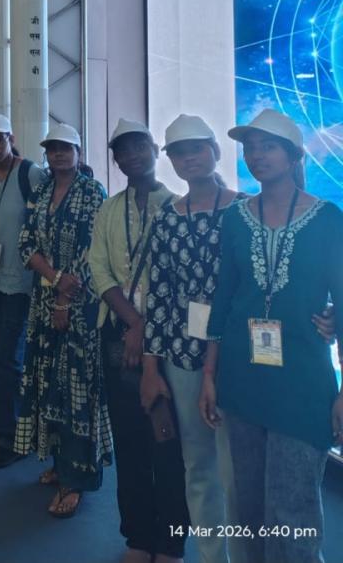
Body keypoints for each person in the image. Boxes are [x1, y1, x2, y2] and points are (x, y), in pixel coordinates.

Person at [199, 109, 343, 563]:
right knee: (249, 505)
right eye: (250, 148)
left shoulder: (327, 218)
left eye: (269, 146)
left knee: (294, 509)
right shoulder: (236, 218)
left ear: (294, 155)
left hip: (304, 382)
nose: (257, 155)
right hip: (242, 379)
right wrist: (209, 376)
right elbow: (223, 298)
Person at [140, 115, 241, 563]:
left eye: (196, 148)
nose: (189, 159)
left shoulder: (244, 210)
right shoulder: (167, 217)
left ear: (215, 151)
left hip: (237, 355)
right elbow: (158, 295)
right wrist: (151, 366)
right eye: (179, 153)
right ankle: (213, 555)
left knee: (236, 465)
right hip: (181, 357)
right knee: (197, 463)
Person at [88, 117, 189, 563]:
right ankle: (138, 538)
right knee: (128, 438)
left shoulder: (178, 207)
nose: (131, 156)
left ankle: (171, 541)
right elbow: (98, 268)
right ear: (115, 160)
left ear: (154, 149)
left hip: (167, 335)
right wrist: (132, 322)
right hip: (117, 331)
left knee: (167, 438)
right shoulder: (108, 210)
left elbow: (181, 278)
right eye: (122, 151)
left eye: (138, 147)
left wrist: (144, 328)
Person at [14, 122, 112, 518]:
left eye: (65, 148)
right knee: (47, 384)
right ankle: (59, 463)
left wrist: (64, 298)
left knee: (76, 390)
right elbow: (26, 244)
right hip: (44, 302)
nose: (58, 154)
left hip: (80, 308)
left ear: (78, 152)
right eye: (52, 148)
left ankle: (76, 478)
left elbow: (94, 251)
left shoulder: (93, 193)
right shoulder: (40, 192)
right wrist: (54, 280)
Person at [0, 113, 44, 469]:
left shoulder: (31, 174)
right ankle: (9, 429)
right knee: (2, 357)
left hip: (23, 282)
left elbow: (45, 222)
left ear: (10, 139)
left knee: (9, 359)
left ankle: (15, 436)